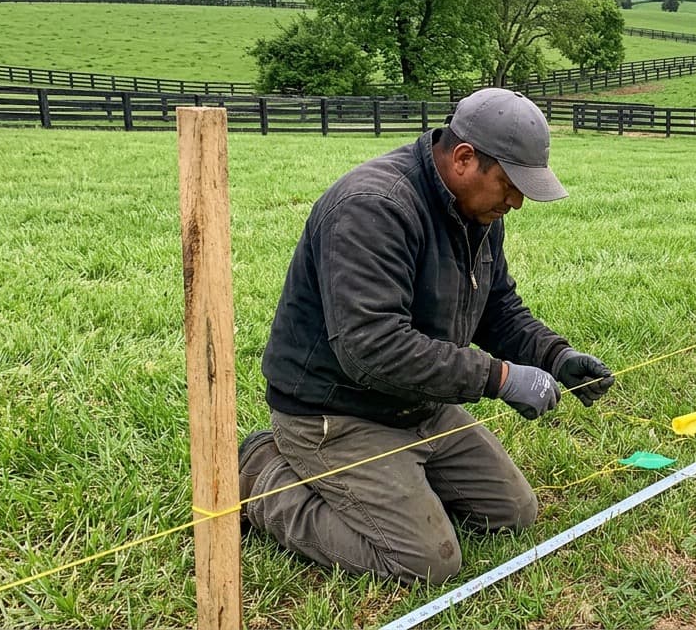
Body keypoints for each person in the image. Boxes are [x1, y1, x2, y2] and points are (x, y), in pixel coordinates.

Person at [237, 87, 615, 584]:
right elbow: (370, 348)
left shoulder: (476, 210)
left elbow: (496, 308)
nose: (518, 202)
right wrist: (499, 378)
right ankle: (262, 471)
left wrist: (555, 356)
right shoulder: (372, 207)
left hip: (419, 403)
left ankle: (402, 483)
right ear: (464, 158)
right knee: (426, 562)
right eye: (510, 183)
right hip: (337, 411)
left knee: (513, 513)